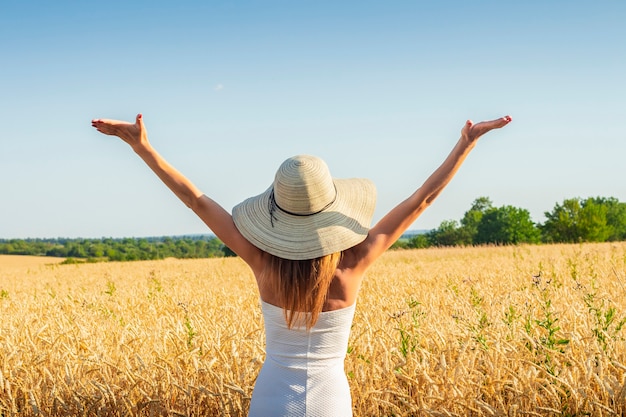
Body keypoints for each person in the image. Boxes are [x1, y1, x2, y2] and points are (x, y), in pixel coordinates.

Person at [91, 113, 512, 416]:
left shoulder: (262, 261)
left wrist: (142, 147)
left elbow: (196, 200)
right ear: (331, 211)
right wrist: (466, 143)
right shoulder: (354, 264)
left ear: (278, 211)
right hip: (330, 397)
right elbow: (422, 200)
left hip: (272, 397)